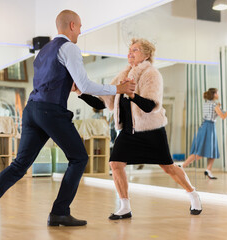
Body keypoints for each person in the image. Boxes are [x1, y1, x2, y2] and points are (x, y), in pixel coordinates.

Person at [0, 9, 135, 227]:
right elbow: (84, 85)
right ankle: (60, 212)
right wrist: (117, 88)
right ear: (73, 25)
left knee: (19, 164)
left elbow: (56, 79)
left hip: (32, 109)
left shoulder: (43, 50)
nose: (81, 30)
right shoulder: (70, 48)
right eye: (81, 26)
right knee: (79, 158)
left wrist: (70, 84)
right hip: (51, 111)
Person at [77, 38, 202, 220]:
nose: (130, 53)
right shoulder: (122, 75)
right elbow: (103, 102)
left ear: (147, 54)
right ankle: (125, 206)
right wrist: (80, 93)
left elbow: (150, 106)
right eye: (129, 50)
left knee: (168, 168)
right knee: (115, 164)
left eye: (135, 50)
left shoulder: (152, 75)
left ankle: (193, 194)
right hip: (128, 131)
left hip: (151, 131)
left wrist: (131, 95)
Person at [182, 88, 227, 179]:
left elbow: (218, 113)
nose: (218, 94)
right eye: (217, 93)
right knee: (201, 151)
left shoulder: (207, 104)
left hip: (205, 126)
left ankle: (208, 170)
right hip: (209, 127)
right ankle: (182, 166)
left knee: (211, 150)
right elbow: (223, 116)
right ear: (214, 94)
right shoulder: (214, 105)